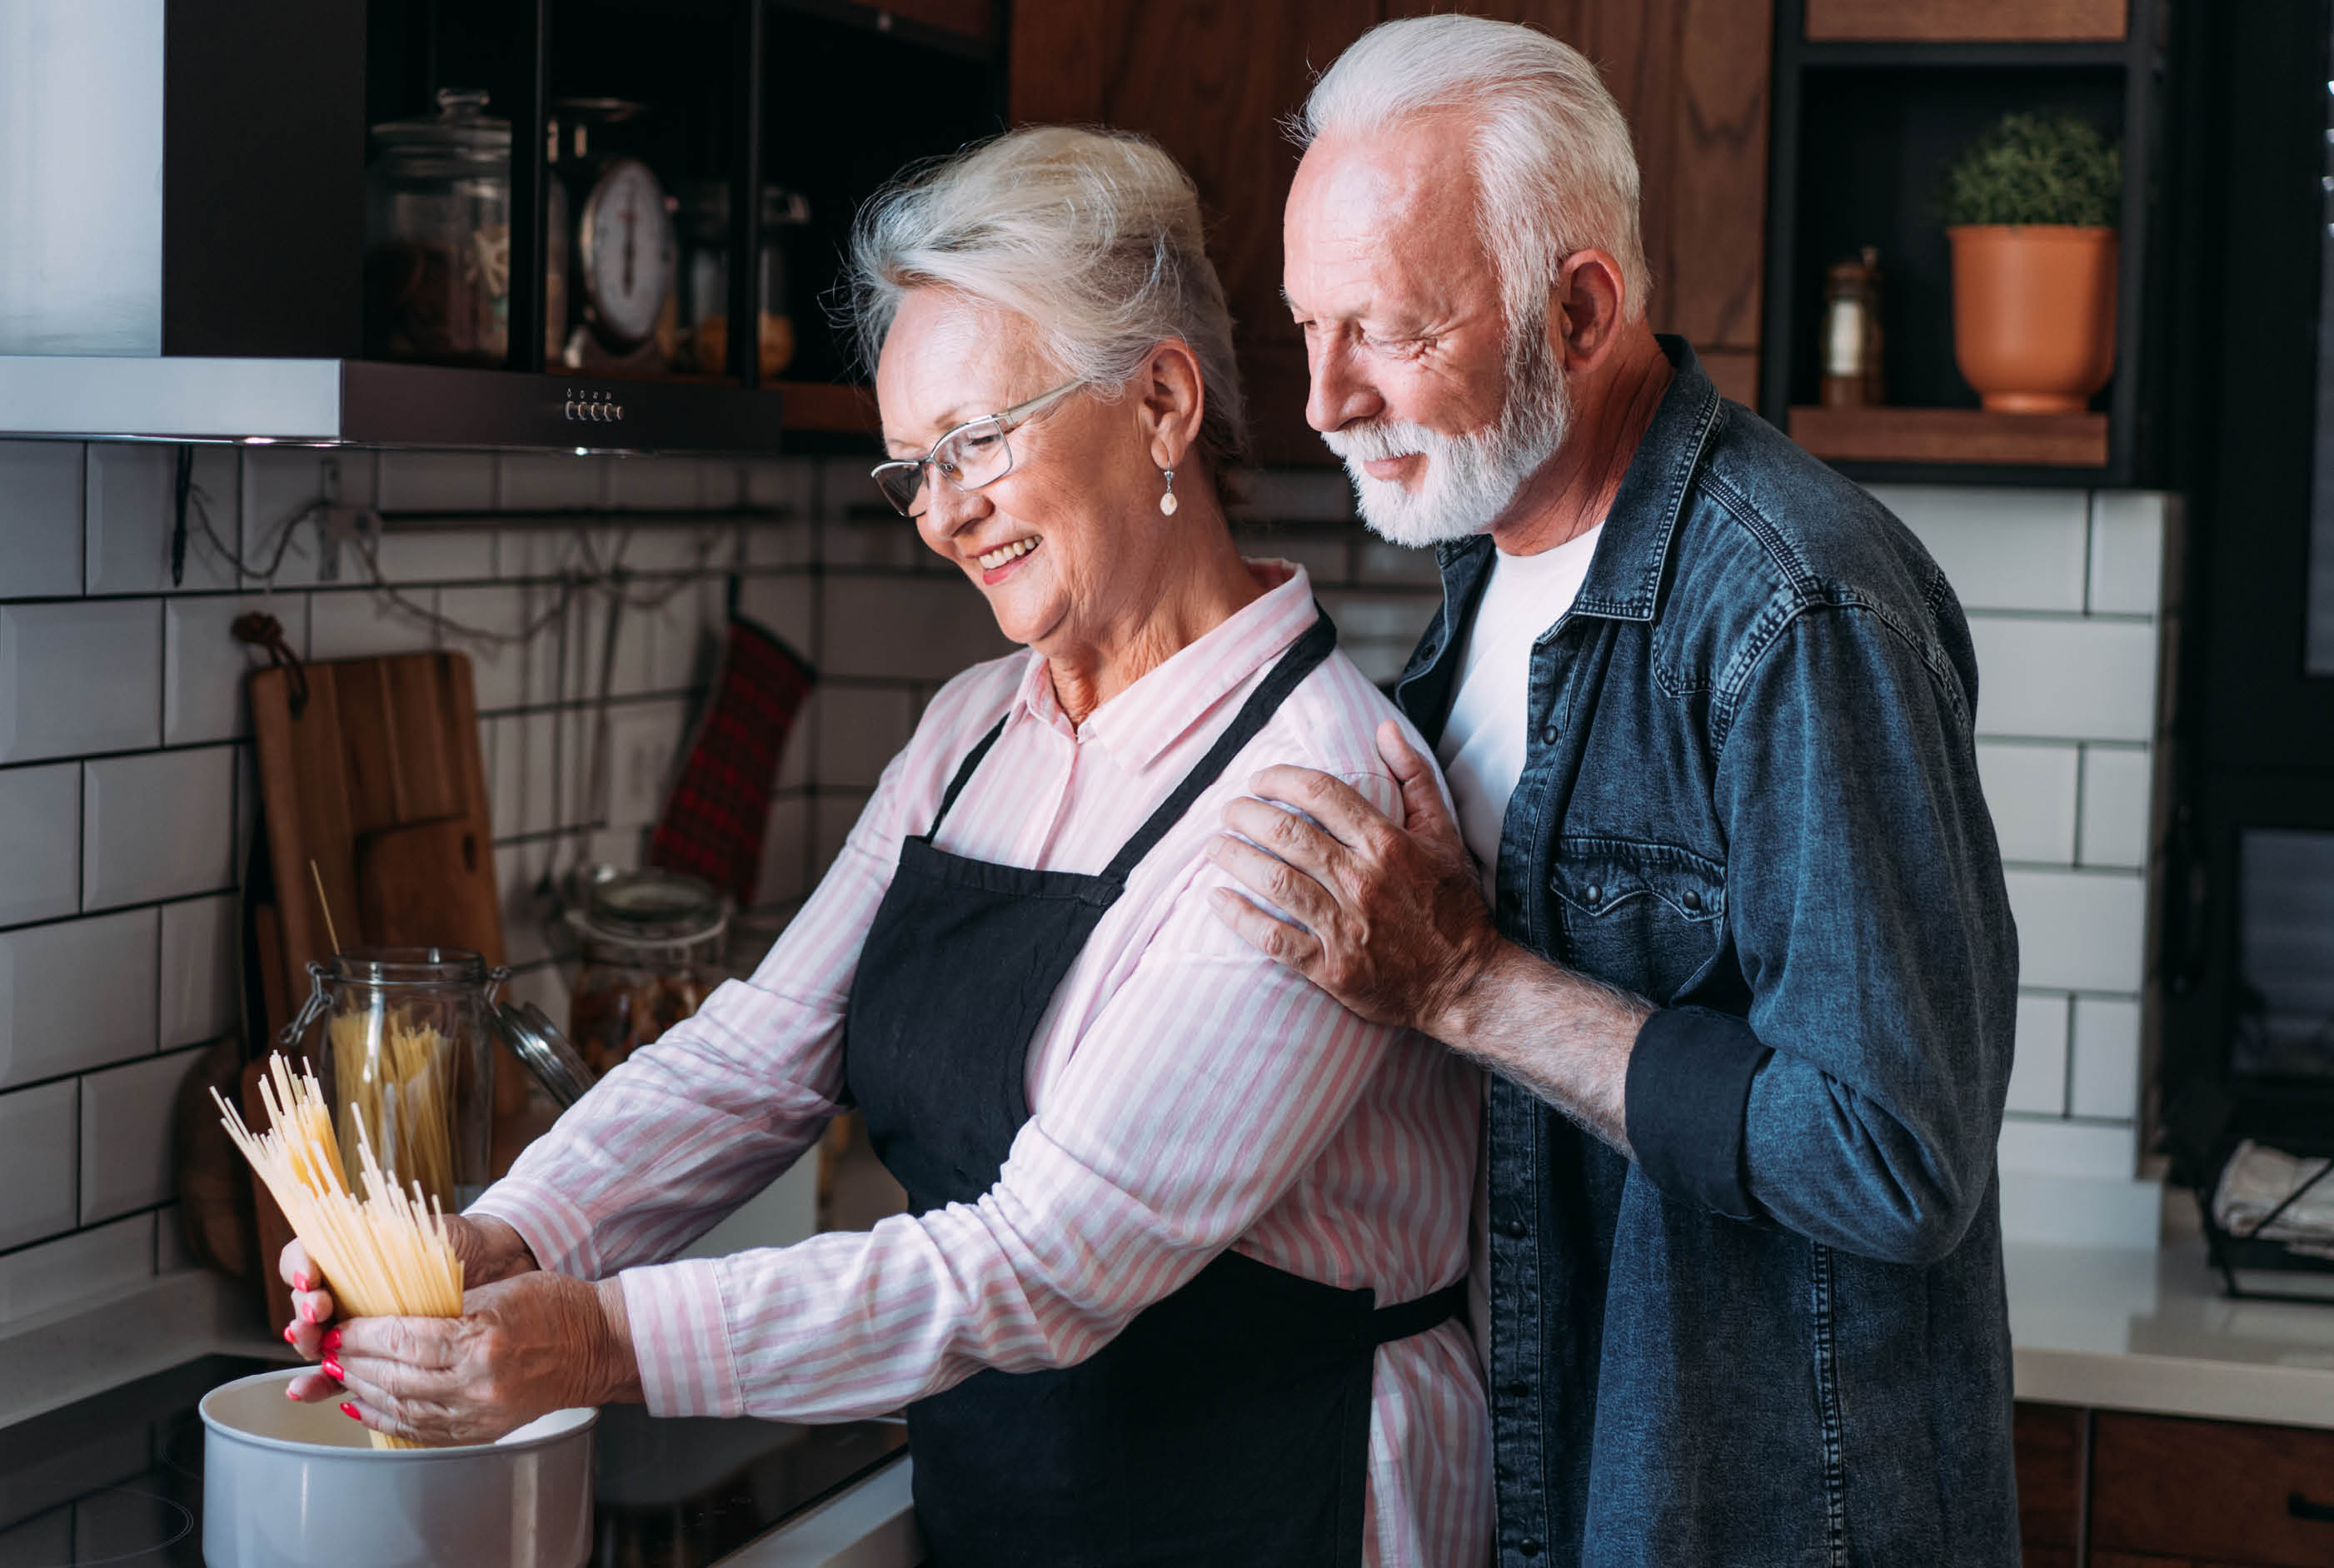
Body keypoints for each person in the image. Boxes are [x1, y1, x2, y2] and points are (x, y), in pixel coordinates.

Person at [278, 125, 1489, 1568]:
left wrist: (600, 1339)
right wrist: (515, 1235)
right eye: (910, 467)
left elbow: (1050, 1263)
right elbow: (753, 1062)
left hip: (1273, 1495)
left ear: (1161, 399)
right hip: (1026, 1486)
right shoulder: (975, 730)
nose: (941, 514)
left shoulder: (1318, 791)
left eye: (978, 441)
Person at [1206, 17, 2021, 1567]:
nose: (1322, 398)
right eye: (1310, 326)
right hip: (1555, 1481)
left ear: (1579, 310)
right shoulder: (1481, 562)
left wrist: (1464, 982)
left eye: (1385, 330)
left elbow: (1892, 1157)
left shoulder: (1796, 606)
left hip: (1761, 1523)